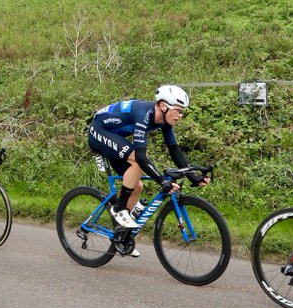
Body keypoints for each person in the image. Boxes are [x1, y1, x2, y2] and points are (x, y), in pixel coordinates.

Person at [87, 84, 206, 246]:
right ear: (163, 106)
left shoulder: (164, 121)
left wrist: (194, 176)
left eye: (182, 111)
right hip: (99, 130)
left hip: (115, 137)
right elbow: (141, 157)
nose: (180, 115)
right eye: (178, 110)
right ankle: (118, 208)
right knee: (137, 160)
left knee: (137, 186)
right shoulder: (143, 113)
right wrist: (162, 180)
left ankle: (121, 235)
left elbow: (174, 150)